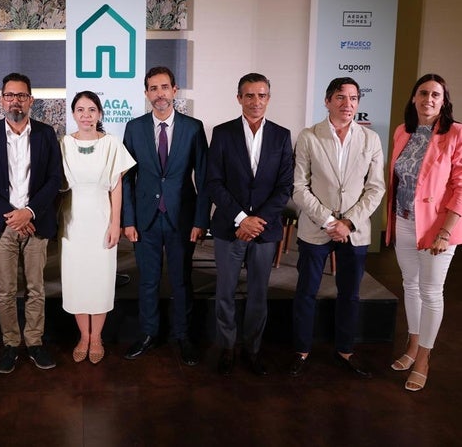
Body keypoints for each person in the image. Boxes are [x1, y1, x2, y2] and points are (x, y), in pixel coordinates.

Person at [290, 77, 385, 378]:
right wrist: (330, 221)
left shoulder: (370, 140)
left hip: (354, 231)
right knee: (306, 291)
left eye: (354, 98)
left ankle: (345, 351)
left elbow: (376, 188)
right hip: (316, 228)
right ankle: (301, 351)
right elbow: (298, 187)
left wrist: (348, 222)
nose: (348, 104)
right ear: (328, 101)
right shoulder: (309, 136)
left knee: (350, 294)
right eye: (341, 98)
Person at [0, 72, 62, 374]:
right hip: (2, 224)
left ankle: (34, 342)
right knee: (5, 290)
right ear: (1, 100)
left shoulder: (46, 134)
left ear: (31, 100)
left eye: (22, 95)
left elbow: (53, 179)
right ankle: (11, 344)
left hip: (36, 223)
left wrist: (30, 211)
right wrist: (12, 214)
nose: (15, 101)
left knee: (36, 288)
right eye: (10, 95)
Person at [122, 66, 210, 366]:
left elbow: (204, 177)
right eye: (153, 88)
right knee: (147, 281)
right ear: (147, 93)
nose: (159, 93)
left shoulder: (194, 128)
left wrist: (201, 221)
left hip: (182, 219)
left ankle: (182, 336)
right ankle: (148, 334)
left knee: (181, 280)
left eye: (164, 87)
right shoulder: (133, 129)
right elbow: (126, 180)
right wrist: (128, 220)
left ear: (175, 90)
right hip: (145, 219)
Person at [207, 73, 293, 376]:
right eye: (249, 95)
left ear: (269, 98)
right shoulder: (222, 133)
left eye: (261, 95)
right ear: (239, 98)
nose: (256, 101)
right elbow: (213, 182)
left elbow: (285, 186)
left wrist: (258, 221)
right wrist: (243, 219)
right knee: (225, 291)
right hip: (230, 227)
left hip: (265, 230)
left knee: (259, 293)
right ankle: (227, 347)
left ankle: (253, 349)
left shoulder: (282, 136)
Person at [385, 74, 462, 391]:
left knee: (431, 292)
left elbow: (461, 187)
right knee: (410, 285)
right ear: (413, 98)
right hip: (404, 220)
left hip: (437, 228)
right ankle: (413, 344)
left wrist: (445, 232)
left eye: (435, 94)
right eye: (423, 93)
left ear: (443, 102)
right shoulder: (403, 131)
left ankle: (424, 359)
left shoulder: (456, 133)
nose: (428, 99)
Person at [59, 91, 136, 364]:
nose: (86, 115)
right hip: (73, 220)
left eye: (91, 110)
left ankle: (97, 337)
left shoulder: (112, 144)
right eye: (80, 110)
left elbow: (116, 187)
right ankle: (83, 335)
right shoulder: (64, 144)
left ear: (100, 114)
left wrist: (116, 222)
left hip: (102, 219)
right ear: (73, 114)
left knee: (100, 280)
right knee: (77, 279)